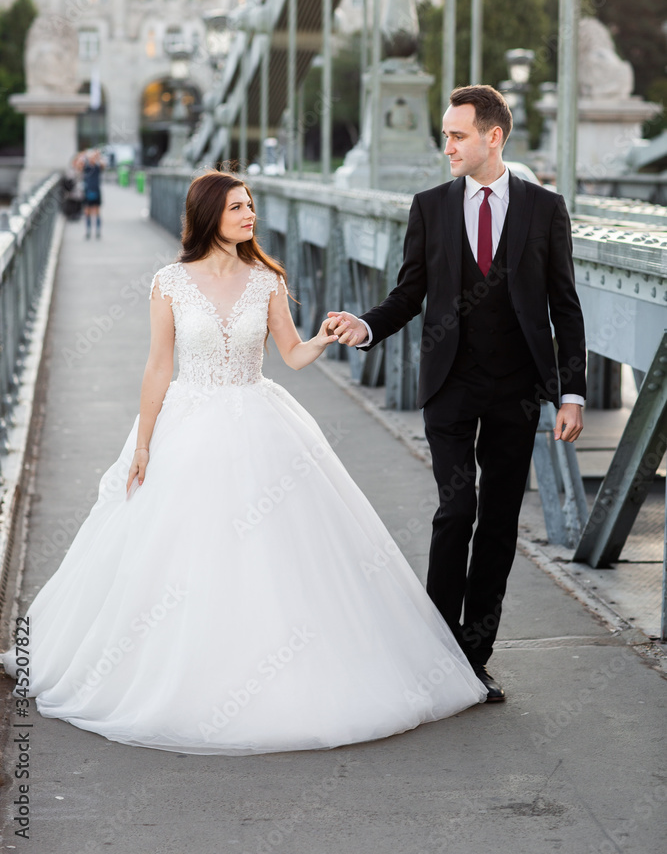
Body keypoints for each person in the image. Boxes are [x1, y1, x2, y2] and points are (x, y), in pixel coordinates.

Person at [1, 171, 486, 756]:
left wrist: (327, 337)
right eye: (237, 207)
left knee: (280, 553)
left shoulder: (267, 281)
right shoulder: (170, 283)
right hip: (188, 425)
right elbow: (158, 367)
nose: (250, 214)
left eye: (251, 205)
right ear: (209, 215)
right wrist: (144, 444)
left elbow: (293, 355)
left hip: (261, 419)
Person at [329, 85, 586, 703]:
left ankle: (474, 660)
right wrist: (366, 327)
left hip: (516, 391)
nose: (447, 145)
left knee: (498, 523)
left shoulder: (545, 209)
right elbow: (408, 293)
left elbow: (565, 307)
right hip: (449, 384)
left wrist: (571, 393)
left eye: (457, 135)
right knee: (456, 511)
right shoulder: (430, 207)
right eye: (446, 134)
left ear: (493, 137)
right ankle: (434, 652)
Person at [78, 148, 104, 239]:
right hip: (87, 190)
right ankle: (88, 231)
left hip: (96, 190)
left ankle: (97, 231)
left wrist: (98, 156)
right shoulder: (86, 167)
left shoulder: (97, 166)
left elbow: (103, 164)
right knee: (87, 212)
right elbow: (78, 165)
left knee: (97, 212)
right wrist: (83, 155)